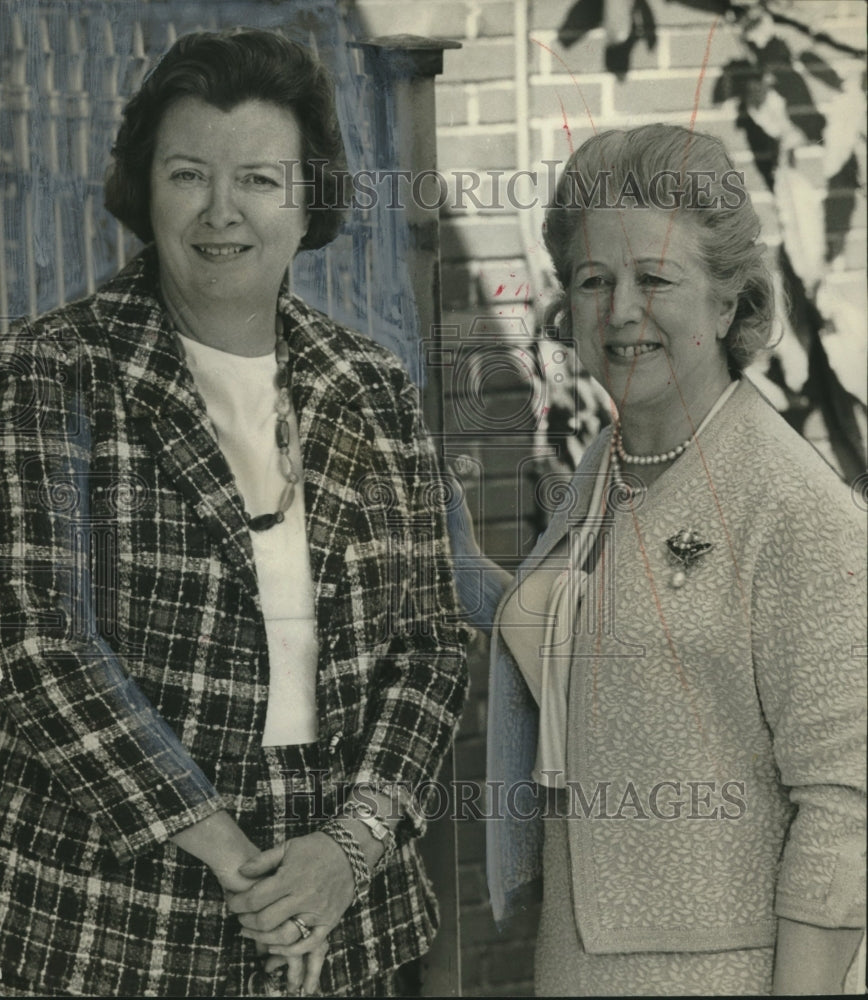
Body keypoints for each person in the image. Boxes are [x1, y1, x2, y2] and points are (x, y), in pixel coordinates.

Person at [0, 28, 467, 998]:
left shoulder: (370, 385)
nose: (221, 212)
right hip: (117, 927)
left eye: (258, 178)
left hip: (347, 931)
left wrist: (348, 847)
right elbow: (39, 642)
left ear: (307, 201)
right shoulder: (50, 372)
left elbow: (430, 644)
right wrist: (239, 864)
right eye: (187, 175)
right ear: (145, 190)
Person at [451, 123, 865, 995]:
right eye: (595, 280)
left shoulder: (794, 510)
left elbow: (847, 806)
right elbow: (593, 636)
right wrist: (452, 554)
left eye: (656, 278)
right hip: (576, 958)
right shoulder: (610, 462)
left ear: (727, 302)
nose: (620, 310)